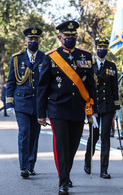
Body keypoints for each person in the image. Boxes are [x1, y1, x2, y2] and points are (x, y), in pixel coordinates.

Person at [37, 21, 96, 195]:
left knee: (73, 146)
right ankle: (63, 182)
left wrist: (94, 108)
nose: (70, 38)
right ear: (59, 37)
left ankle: (66, 173)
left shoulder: (85, 56)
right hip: (57, 108)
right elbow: (42, 87)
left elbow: (91, 85)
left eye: (73, 35)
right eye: (67, 36)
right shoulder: (51, 57)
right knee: (62, 145)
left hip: (78, 108)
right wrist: (41, 113)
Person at [6, 27, 44, 178]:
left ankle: (31, 164)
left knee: (34, 135)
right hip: (21, 103)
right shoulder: (17, 59)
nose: (33, 42)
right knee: (24, 133)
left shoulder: (44, 57)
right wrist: (9, 103)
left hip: (38, 103)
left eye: (35, 39)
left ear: (39, 41)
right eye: (30, 39)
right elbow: (11, 82)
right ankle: (24, 167)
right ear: (25, 41)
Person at [83, 37, 120, 178]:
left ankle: (104, 169)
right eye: (100, 47)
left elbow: (114, 87)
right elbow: (86, 89)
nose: (102, 50)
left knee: (105, 137)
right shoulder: (89, 67)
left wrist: (116, 107)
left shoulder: (111, 66)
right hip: (94, 107)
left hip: (108, 106)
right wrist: (89, 110)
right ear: (95, 49)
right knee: (94, 137)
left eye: (104, 48)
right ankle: (87, 162)